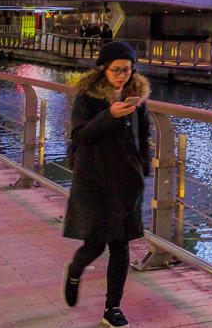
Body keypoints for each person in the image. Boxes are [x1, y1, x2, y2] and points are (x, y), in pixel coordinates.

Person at [62, 41, 150, 328]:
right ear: (103, 69)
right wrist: (109, 115)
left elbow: (144, 136)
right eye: (116, 70)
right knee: (95, 244)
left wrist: (143, 168)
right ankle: (75, 271)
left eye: (127, 69)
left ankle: (112, 308)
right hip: (95, 180)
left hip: (126, 183)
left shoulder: (136, 97)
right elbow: (80, 136)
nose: (123, 75)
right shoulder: (88, 97)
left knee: (121, 246)